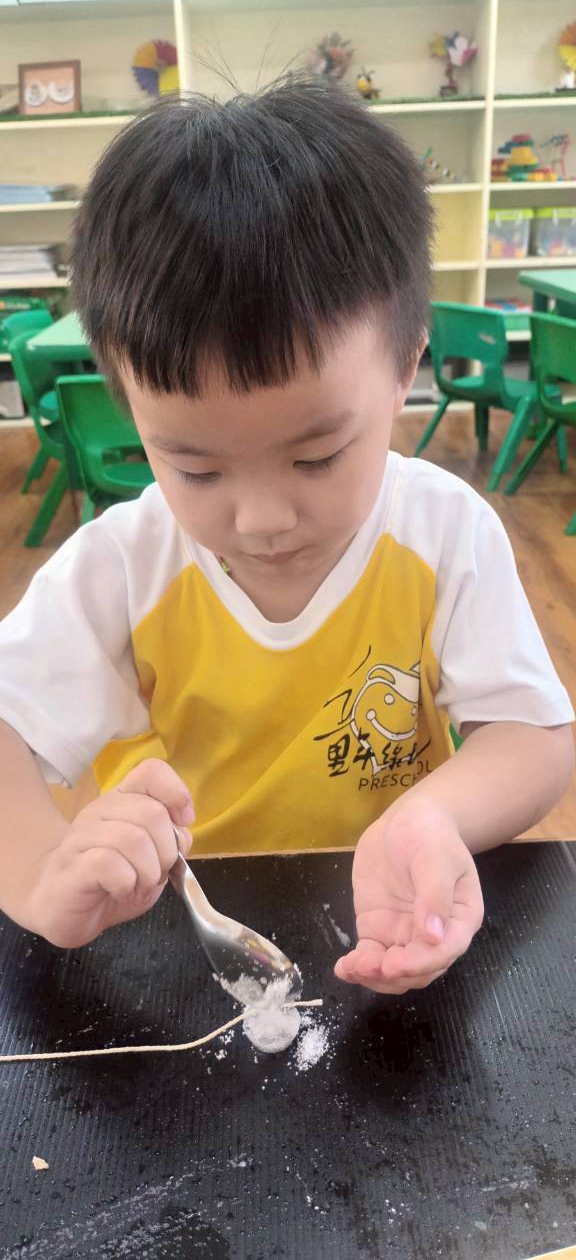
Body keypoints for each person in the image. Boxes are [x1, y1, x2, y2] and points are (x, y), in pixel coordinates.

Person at [0, 81, 572, 997]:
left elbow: (533, 733)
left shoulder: (443, 532)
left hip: (391, 917)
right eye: (195, 469)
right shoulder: (123, 568)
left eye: (317, 457)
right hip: (191, 941)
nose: (261, 519)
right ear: (130, 407)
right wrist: (36, 873)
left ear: (405, 369)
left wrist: (434, 818)